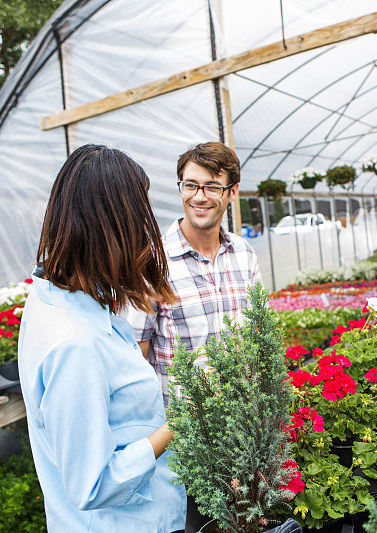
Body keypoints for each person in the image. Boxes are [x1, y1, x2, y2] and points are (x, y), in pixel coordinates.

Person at [17, 144, 186, 532]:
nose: (146, 231)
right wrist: (181, 422)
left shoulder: (54, 295)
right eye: (139, 218)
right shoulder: (73, 342)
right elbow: (93, 484)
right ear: (110, 225)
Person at [126, 141, 261, 407]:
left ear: (232, 192)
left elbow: (258, 331)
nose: (199, 197)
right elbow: (134, 356)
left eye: (212, 186)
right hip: (181, 435)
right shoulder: (152, 263)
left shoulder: (244, 253)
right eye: (190, 185)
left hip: (243, 424)